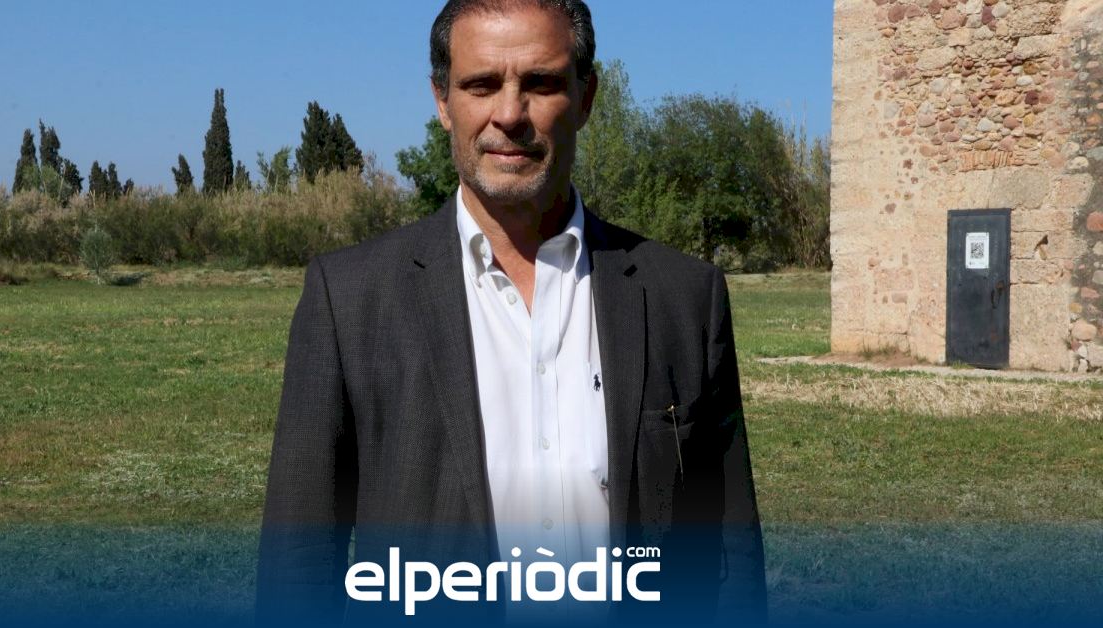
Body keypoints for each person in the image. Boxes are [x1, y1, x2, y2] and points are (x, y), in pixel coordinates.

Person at [256, 0, 765, 625]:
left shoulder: (684, 297)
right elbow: (299, 566)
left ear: (586, 97)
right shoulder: (349, 298)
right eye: (481, 85)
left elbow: (731, 554)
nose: (509, 114)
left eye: (541, 83)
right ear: (443, 101)